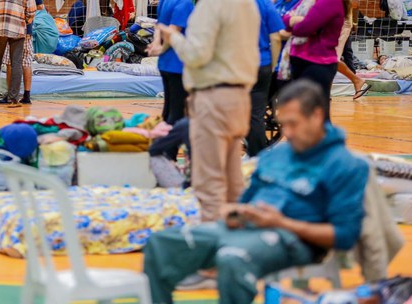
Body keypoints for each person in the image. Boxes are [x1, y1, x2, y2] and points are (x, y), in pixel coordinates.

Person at [143, 80, 369, 304]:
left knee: (232, 257)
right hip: (246, 229)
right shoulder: (274, 156)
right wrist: (235, 211)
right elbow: (247, 200)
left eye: (294, 124)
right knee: (161, 244)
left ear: (317, 116)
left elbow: (344, 236)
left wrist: (281, 222)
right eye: (283, 124)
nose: (287, 133)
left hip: (293, 240)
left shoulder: (345, 164)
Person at [158, 0, 259, 224]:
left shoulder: (214, 1)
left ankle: (214, 250)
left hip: (214, 97)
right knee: (232, 178)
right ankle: (238, 239)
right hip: (239, 96)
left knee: (209, 182)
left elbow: (197, 54)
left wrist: (174, 37)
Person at [280, 0, 348, 113]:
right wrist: (294, 19)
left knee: (316, 116)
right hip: (302, 60)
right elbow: (284, 18)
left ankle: (329, 138)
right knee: (303, 115)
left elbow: (304, 28)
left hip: (317, 63)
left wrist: (294, 21)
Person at [234, 0, 284, 157]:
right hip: (261, 63)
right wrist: (271, 64)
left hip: (236, 66)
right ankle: (259, 159)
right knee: (255, 116)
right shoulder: (263, 2)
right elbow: (276, 37)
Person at [147, 0, 196, 126]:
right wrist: (161, 48)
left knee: (168, 111)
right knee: (177, 114)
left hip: (165, 64)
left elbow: (158, 26)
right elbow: (172, 32)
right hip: (177, 63)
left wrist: (156, 44)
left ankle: (164, 148)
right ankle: (168, 150)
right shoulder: (184, 1)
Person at [1, 0, 44, 105]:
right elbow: (40, 7)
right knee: (26, 61)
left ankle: (10, 94)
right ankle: (26, 95)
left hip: (11, 28)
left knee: (9, 61)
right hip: (27, 28)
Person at [331, 0, 370, 99]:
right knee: (334, 55)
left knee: (331, 57)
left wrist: (353, 21)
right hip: (331, 22)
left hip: (341, 22)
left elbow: (354, 3)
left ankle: (357, 80)